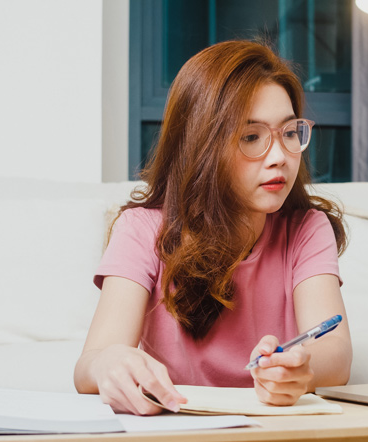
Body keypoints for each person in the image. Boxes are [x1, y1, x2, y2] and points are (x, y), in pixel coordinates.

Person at [73, 40, 352, 416]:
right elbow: (89, 365)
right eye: (251, 136)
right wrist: (108, 364)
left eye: (289, 133)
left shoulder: (305, 228)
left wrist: (300, 366)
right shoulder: (141, 228)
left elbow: (335, 355)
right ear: (201, 145)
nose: (279, 158)